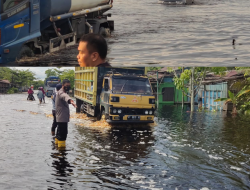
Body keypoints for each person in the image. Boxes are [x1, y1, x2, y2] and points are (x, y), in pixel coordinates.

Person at [55, 79, 77, 148]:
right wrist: (71, 101)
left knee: (58, 134)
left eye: (69, 86)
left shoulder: (63, 92)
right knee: (63, 135)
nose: (68, 87)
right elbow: (64, 96)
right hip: (62, 118)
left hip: (60, 117)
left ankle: (56, 149)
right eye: (66, 86)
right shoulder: (61, 92)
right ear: (63, 85)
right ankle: (61, 151)